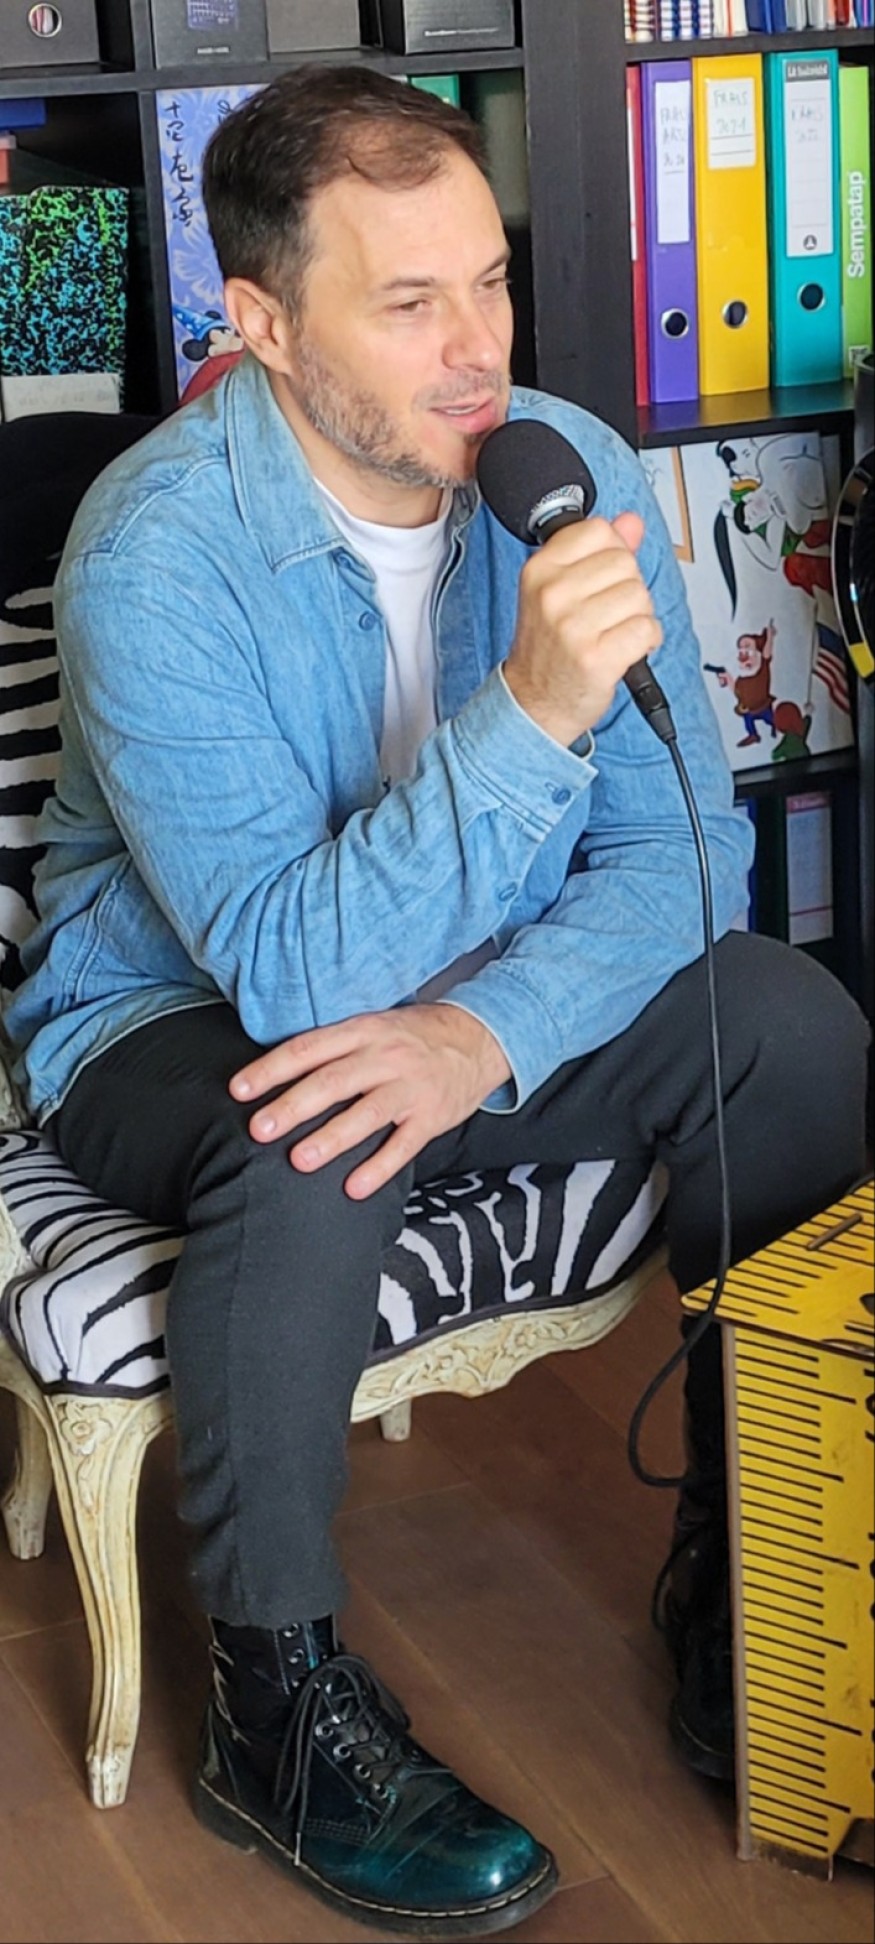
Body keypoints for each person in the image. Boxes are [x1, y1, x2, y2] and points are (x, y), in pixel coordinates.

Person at [5, 68, 868, 1939]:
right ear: (261, 325)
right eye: (408, 304)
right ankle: (277, 1710)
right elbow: (291, 971)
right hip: (172, 1007)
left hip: (474, 986)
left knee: (787, 1023)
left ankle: (757, 1558)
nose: (479, 352)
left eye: (490, 281)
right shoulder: (152, 554)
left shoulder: (564, 464)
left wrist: (485, 1033)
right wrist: (534, 710)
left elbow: (684, 852)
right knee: (312, 1126)